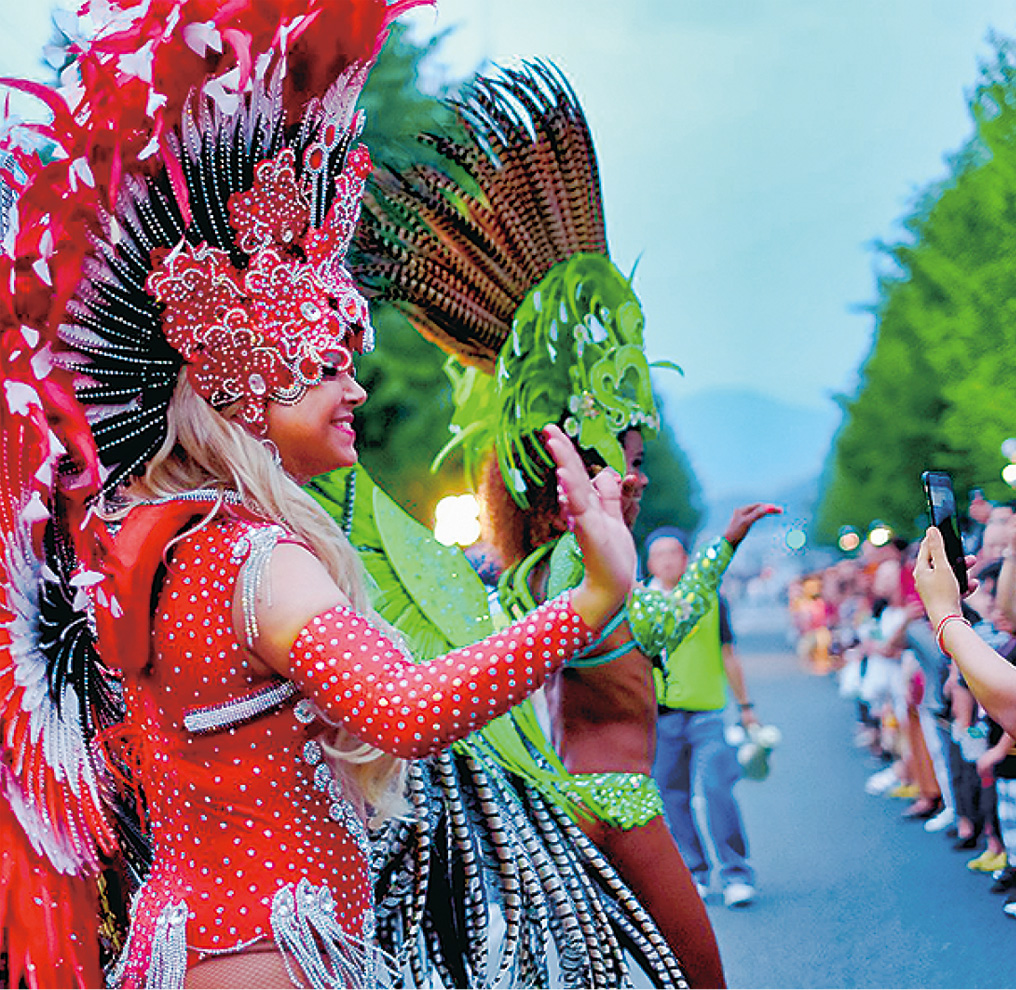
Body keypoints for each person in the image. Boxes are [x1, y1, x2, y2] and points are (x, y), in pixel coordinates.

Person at [0, 5, 639, 987]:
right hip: (271, 960)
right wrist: (590, 600)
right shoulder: (254, 560)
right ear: (240, 383)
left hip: (198, 950)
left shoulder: (172, 546)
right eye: (324, 364)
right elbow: (405, 710)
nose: (356, 388)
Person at [354, 60, 782, 988]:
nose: (633, 476)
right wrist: (693, 560)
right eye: (618, 461)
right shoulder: (571, 576)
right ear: (568, 482)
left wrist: (716, 552)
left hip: (562, 802)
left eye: (633, 462)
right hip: (619, 803)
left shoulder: (546, 577)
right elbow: (629, 626)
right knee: (701, 974)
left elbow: (639, 624)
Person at [647, 527, 760, 908]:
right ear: (649, 563)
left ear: (685, 558)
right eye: (659, 554)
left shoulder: (710, 598)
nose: (667, 560)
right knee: (671, 796)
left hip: (708, 712)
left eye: (674, 553)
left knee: (716, 788)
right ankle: (694, 871)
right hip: (660, 716)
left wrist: (746, 707)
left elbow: (729, 654)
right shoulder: (639, 603)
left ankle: (736, 872)